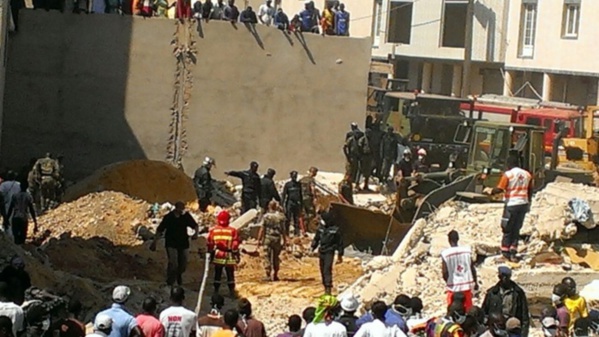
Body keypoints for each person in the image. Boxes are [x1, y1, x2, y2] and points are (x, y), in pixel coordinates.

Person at [483, 155, 532, 262]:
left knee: (507, 228)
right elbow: (530, 190)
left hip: (511, 205)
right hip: (523, 204)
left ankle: (505, 253)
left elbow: (500, 189)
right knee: (516, 228)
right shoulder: (527, 174)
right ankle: (513, 252)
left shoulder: (508, 175)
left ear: (509, 164)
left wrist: (490, 190)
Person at [150, 201, 199, 286]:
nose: (182, 211)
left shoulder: (186, 216)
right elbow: (160, 230)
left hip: (183, 243)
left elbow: (195, 226)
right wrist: (154, 242)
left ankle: (178, 276)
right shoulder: (168, 217)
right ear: (176, 208)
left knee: (183, 264)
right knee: (173, 263)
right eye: (181, 209)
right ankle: (170, 281)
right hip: (171, 243)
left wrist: (196, 234)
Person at [482, 267, 529, 337]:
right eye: (502, 276)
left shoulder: (518, 293)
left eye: (506, 277)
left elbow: (524, 316)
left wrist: (523, 334)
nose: (504, 279)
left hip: (512, 328)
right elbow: (484, 312)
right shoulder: (492, 293)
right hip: (496, 329)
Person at [441, 230, 477, 312]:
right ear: (458, 238)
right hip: (466, 285)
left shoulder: (446, 253)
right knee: (468, 309)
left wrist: (448, 281)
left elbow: (445, 272)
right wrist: (475, 281)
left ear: (449, 240)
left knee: (452, 309)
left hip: (453, 286)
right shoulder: (467, 251)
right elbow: (472, 267)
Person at [207, 210, 240, 297]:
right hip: (229, 255)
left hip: (218, 254)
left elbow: (210, 243)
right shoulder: (232, 231)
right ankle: (232, 291)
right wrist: (236, 254)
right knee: (230, 274)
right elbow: (235, 244)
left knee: (218, 273)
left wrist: (210, 253)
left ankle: (216, 291)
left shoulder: (214, 231)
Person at [311, 211, 343, 295]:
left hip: (329, 252)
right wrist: (312, 247)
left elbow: (340, 243)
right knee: (322, 270)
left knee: (327, 270)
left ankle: (328, 288)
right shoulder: (321, 228)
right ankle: (325, 285)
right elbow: (316, 238)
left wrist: (340, 255)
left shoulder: (335, 230)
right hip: (321, 251)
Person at [257, 201, 287, 281]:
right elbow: (283, 230)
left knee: (267, 256)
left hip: (268, 238)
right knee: (276, 257)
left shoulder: (266, 216)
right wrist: (285, 240)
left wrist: (259, 240)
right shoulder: (280, 216)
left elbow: (262, 229)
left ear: (269, 207)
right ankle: (276, 274)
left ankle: (268, 274)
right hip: (277, 239)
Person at [282, 171, 303, 236]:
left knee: (296, 218)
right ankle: (286, 232)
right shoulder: (288, 185)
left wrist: (301, 204)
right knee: (288, 218)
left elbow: (300, 194)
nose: (294, 177)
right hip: (289, 202)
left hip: (297, 203)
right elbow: (284, 194)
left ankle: (296, 232)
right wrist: (282, 204)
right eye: (293, 176)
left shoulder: (299, 184)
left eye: (295, 176)